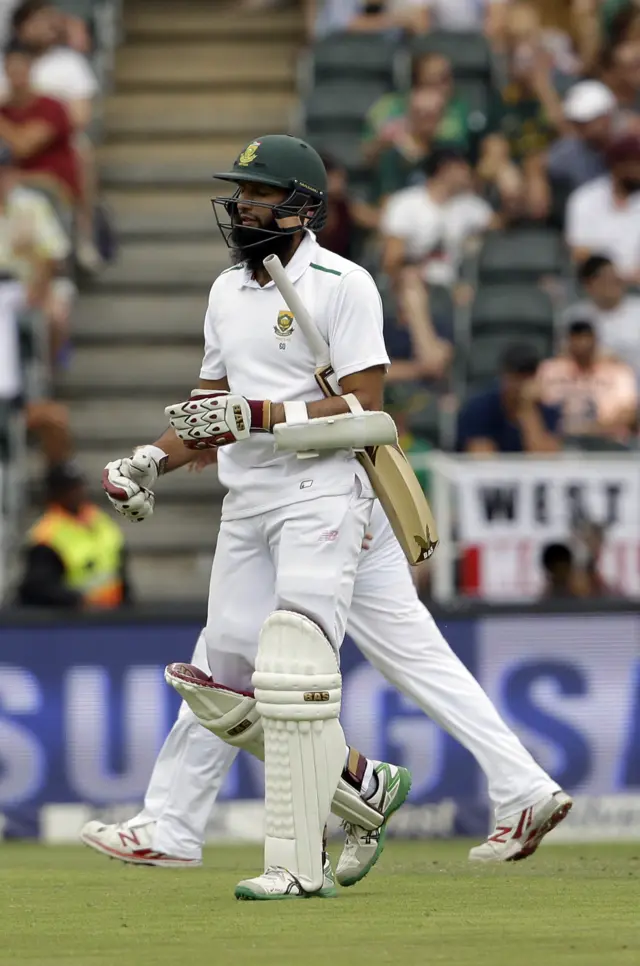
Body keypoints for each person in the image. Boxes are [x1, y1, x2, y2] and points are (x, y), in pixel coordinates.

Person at [97, 136, 571, 890]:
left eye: (259, 192)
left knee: (290, 672)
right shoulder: (227, 291)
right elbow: (207, 411)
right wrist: (151, 459)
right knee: (235, 666)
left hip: (324, 490)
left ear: (301, 205)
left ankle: (299, 856)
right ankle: (516, 788)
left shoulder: (340, 281)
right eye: (241, 192)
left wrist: (260, 413)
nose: (244, 205)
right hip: (252, 498)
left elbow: (366, 404)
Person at [18, 461, 129, 609]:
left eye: (79, 486)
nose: (78, 492)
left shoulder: (101, 520)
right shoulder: (46, 536)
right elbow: (38, 587)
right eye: (70, 489)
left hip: (113, 614)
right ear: (56, 493)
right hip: (74, 622)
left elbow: (119, 567)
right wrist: (77, 601)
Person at [537, 318, 638, 443]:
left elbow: (629, 413)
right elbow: (535, 404)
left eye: (586, 338)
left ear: (595, 341)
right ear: (568, 341)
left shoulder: (617, 371)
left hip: (608, 442)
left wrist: (592, 430)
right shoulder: (550, 370)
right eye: (576, 338)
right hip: (559, 442)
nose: (582, 344)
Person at [458, 343, 561, 453]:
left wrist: (527, 410)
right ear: (503, 376)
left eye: (528, 377)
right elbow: (481, 460)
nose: (522, 384)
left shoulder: (548, 409)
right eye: (516, 377)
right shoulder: (478, 408)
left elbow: (546, 460)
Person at [565, 132, 640, 280]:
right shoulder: (585, 199)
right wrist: (617, 278)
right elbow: (579, 252)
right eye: (636, 163)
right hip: (597, 290)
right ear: (617, 165)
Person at [567, 254, 640, 380]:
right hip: (592, 386)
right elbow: (567, 358)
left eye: (615, 278)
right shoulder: (575, 316)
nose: (612, 285)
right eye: (604, 279)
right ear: (588, 285)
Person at [547, 80, 618, 193]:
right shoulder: (569, 150)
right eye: (577, 121)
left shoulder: (632, 143)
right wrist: (535, 175)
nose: (581, 126)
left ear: (607, 117)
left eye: (587, 120)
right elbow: (541, 164)